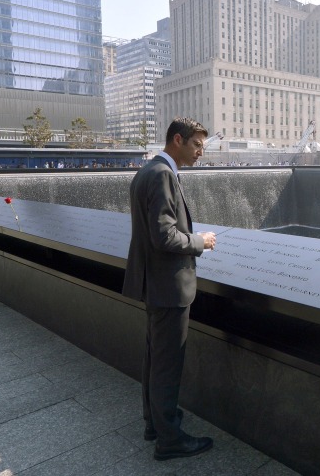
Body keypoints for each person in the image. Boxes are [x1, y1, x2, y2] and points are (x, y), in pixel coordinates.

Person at [122, 117, 216, 461]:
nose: (200, 152)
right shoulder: (162, 174)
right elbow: (164, 235)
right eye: (196, 145)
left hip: (154, 284)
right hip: (169, 287)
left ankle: (155, 424)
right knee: (167, 364)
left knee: (155, 359)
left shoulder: (147, 170)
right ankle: (171, 438)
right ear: (178, 140)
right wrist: (199, 241)